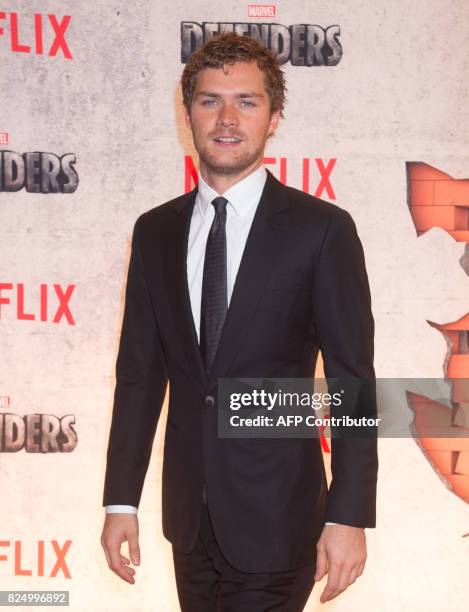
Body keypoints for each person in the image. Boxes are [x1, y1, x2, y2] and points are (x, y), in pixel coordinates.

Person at [101, 32, 378, 612]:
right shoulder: (155, 231)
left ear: (274, 117)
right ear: (188, 114)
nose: (227, 118)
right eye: (209, 100)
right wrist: (120, 502)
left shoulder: (321, 229)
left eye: (247, 102)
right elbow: (139, 378)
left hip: (281, 518)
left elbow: (353, 382)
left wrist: (349, 514)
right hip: (188, 523)